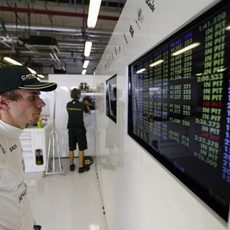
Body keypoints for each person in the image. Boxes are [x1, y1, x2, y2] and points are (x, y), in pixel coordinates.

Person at [0, 65, 57, 230]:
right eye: (32, 98)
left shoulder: (12, 135)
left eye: (38, 95)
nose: (42, 103)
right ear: (4, 102)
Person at [66, 88, 90, 173]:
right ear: (79, 95)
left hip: (71, 128)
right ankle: (81, 167)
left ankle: (71, 165)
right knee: (81, 149)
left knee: (71, 148)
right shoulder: (82, 105)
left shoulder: (68, 104)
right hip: (80, 129)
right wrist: (86, 104)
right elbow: (88, 111)